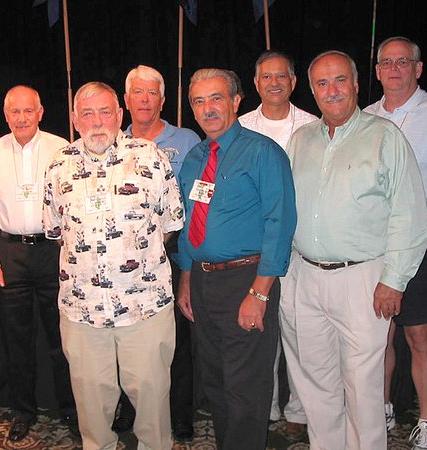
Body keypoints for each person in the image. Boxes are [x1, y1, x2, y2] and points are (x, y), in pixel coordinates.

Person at [282, 50, 427, 450]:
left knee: (363, 386)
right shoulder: (301, 139)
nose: (332, 91)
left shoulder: (384, 136)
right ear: (312, 90)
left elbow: (409, 215)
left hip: (364, 278)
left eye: (340, 80)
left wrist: (393, 281)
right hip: (304, 277)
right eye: (322, 83)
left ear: (357, 84)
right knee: (316, 382)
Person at [43, 81, 184, 450]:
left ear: (120, 115)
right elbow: (57, 230)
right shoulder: (59, 164)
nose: (97, 121)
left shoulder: (151, 157)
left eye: (105, 111)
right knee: (92, 409)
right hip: (81, 310)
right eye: (87, 113)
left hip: (145, 307)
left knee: (153, 405)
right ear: (74, 119)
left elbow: (171, 225)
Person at [176, 68, 297, 450]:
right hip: (201, 281)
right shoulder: (194, 158)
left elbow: (280, 223)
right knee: (215, 382)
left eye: (216, 98)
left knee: (246, 388)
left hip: (246, 282)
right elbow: (185, 224)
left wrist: (260, 294)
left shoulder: (262, 152)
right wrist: (186, 280)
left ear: (235, 101)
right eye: (199, 101)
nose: (208, 109)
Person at [364, 36, 427, 450]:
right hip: (371, 240)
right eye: (386, 63)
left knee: (419, 336)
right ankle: (382, 409)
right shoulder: (364, 116)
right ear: (377, 71)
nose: (394, 69)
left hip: (421, 236)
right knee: (377, 337)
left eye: (403, 62)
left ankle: (425, 422)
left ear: (418, 69)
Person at [0, 86, 76, 443]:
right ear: (5, 115)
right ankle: (23, 411)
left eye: (27, 111)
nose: (21, 118)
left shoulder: (61, 147)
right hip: (10, 255)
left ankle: (71, 410)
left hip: (53, 251)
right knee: (15, 340)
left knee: (61, 337)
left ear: (40, 111)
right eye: (14, 112)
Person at [117, 64, 200, 442]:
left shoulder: (185, 140)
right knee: (130, 338)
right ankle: (133, 413)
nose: (145, 99)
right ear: (127, 99)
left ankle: (180, 415)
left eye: (152, 93)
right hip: (126, 261)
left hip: (175, 251)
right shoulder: (110, 141)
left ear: (163, 100)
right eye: (139, 92)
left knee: (175, 340)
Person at [238, 50, 316, 439]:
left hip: (302, 247)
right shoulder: (239, 127)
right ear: (255, 84)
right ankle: (266, 408)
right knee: (260, 331)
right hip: (255, 248)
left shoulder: (314, 125)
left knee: (298, 333)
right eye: (266, 77)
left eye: (281, 76)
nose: (274, 83)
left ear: (293, 81)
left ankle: (299, 411)